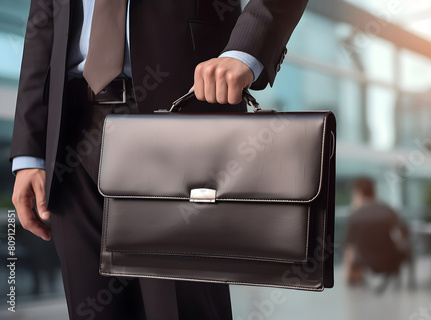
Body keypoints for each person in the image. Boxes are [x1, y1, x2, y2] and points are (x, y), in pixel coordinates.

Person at [10, 1, 308, 319]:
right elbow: (42, 29)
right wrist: (30, 152)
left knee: (181, 309)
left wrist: (244, 50)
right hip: (71, 134)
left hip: (179, 118)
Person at [343, 177, 411, 288]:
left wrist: (347, 275)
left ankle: (357, 281)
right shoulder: (388, 211)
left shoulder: (355, 216)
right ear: (374, 191)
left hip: (366, 261)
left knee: (355, 256)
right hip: (392, 258)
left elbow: (349, 248)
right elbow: (402, 235)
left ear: (358, 193)